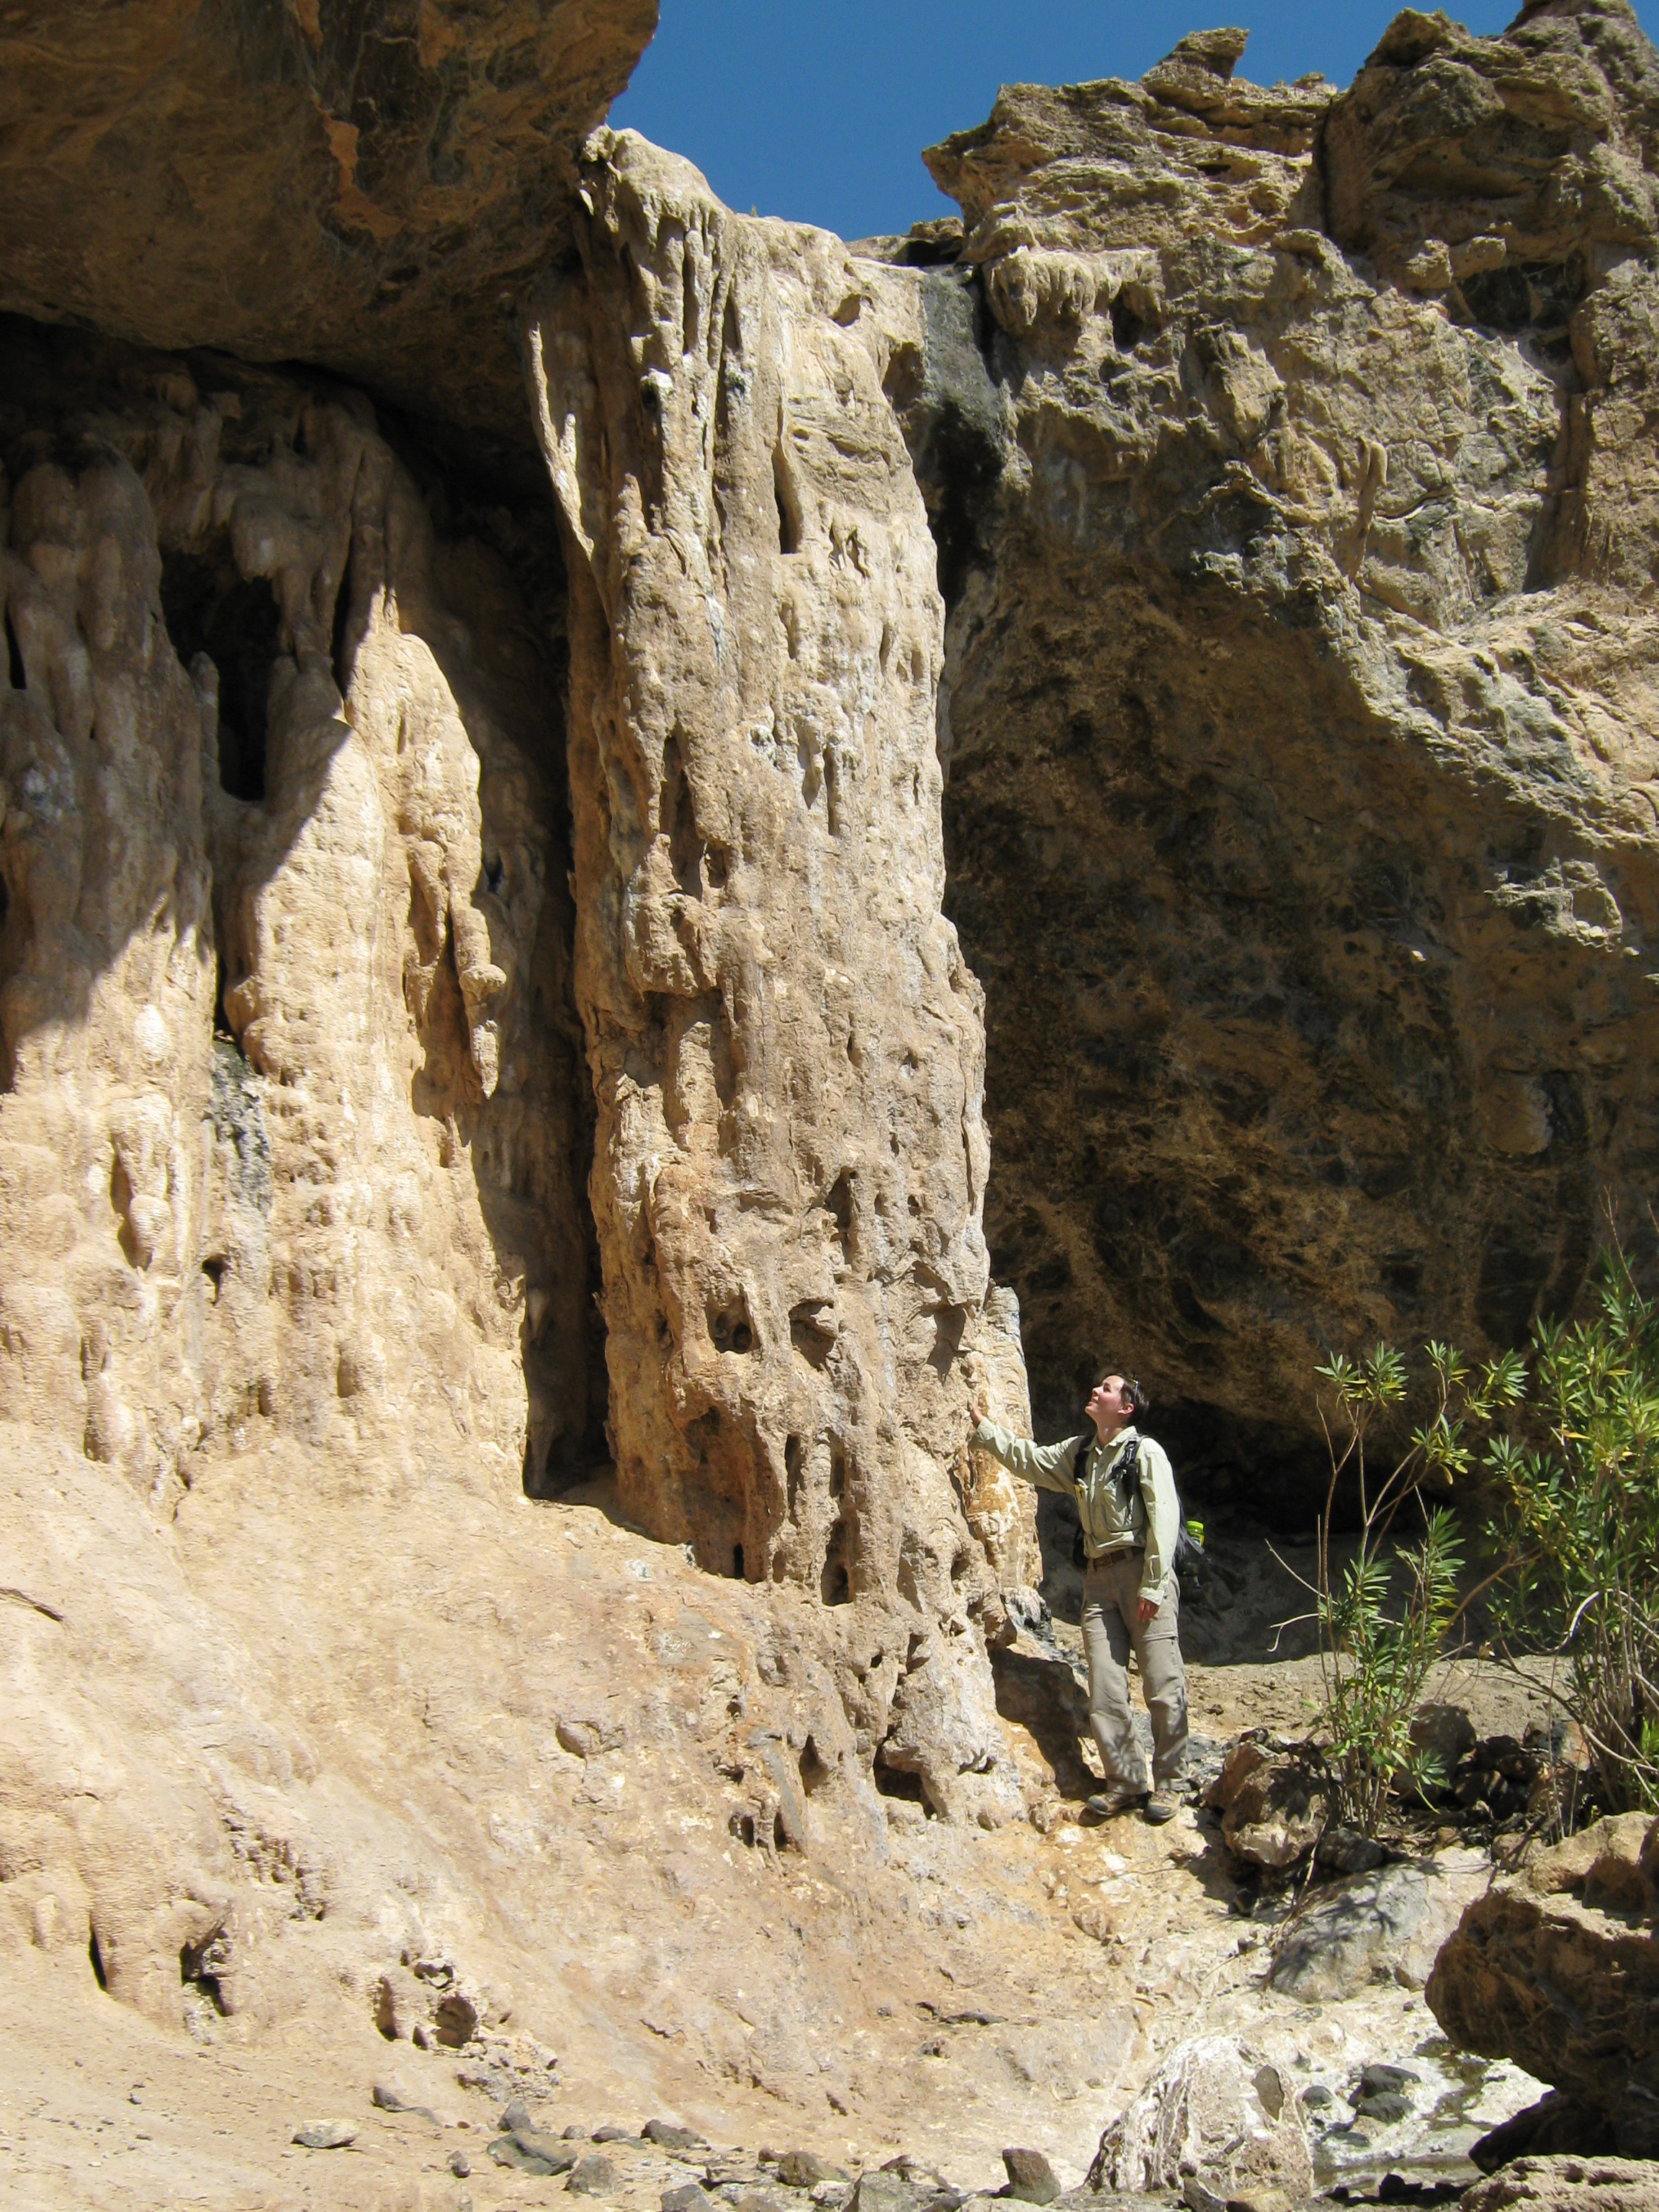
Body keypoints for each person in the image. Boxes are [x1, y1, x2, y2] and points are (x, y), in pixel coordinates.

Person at [969, 1372, 1188, 1823]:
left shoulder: (1145, 1452)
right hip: (1098, 1580)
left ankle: (1171, 1784)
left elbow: (1165, 1520)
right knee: (1105, 1688)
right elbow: (1031, 1460)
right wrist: (984, 1430)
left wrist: (1152, 1585)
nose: (1096, 1391)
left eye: (1107, 1389)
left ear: (1126, 1407)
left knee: (1162, 1684)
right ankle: (1126, 1782)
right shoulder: (1081, 1453)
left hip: (1142, 1575)